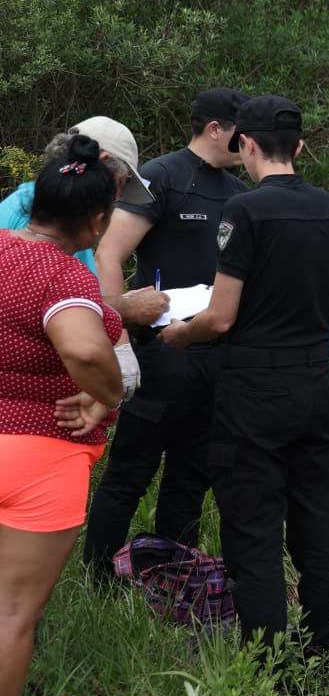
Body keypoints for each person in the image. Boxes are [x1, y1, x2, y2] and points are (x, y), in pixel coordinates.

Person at [161, 96, 329, 660]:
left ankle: (266, 661)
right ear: (298, 147)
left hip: (255, 390)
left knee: (255, 529)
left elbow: (220, 317)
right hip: (318, 385)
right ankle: (323, 655)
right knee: (320, 524)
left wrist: (179, 333)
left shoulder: (243, 212)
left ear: (245, 143)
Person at [82, 88, 250, 583]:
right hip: (159, 351)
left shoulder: (242, 196)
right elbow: (110, 254)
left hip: (215, 353)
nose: (249, 146)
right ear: (215, 129)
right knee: (131, 471)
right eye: (242, 135)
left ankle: (175, 583)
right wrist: (122, 333)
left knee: (191, 476)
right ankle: (100, 580)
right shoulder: (163, 176)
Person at [0, 137, 127, 696]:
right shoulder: (64, 277)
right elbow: (83, 350)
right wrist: (109, 396)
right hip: (41, 457)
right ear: (97, 221)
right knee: (11, 615)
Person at [0, 117, 166, 328]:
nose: (117, 198)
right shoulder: (50, 220)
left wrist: (121, 302)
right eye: (121, 184)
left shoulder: (57, 214)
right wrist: (126, 308)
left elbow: (61, 297)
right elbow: (32, 308)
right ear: (103, 164)